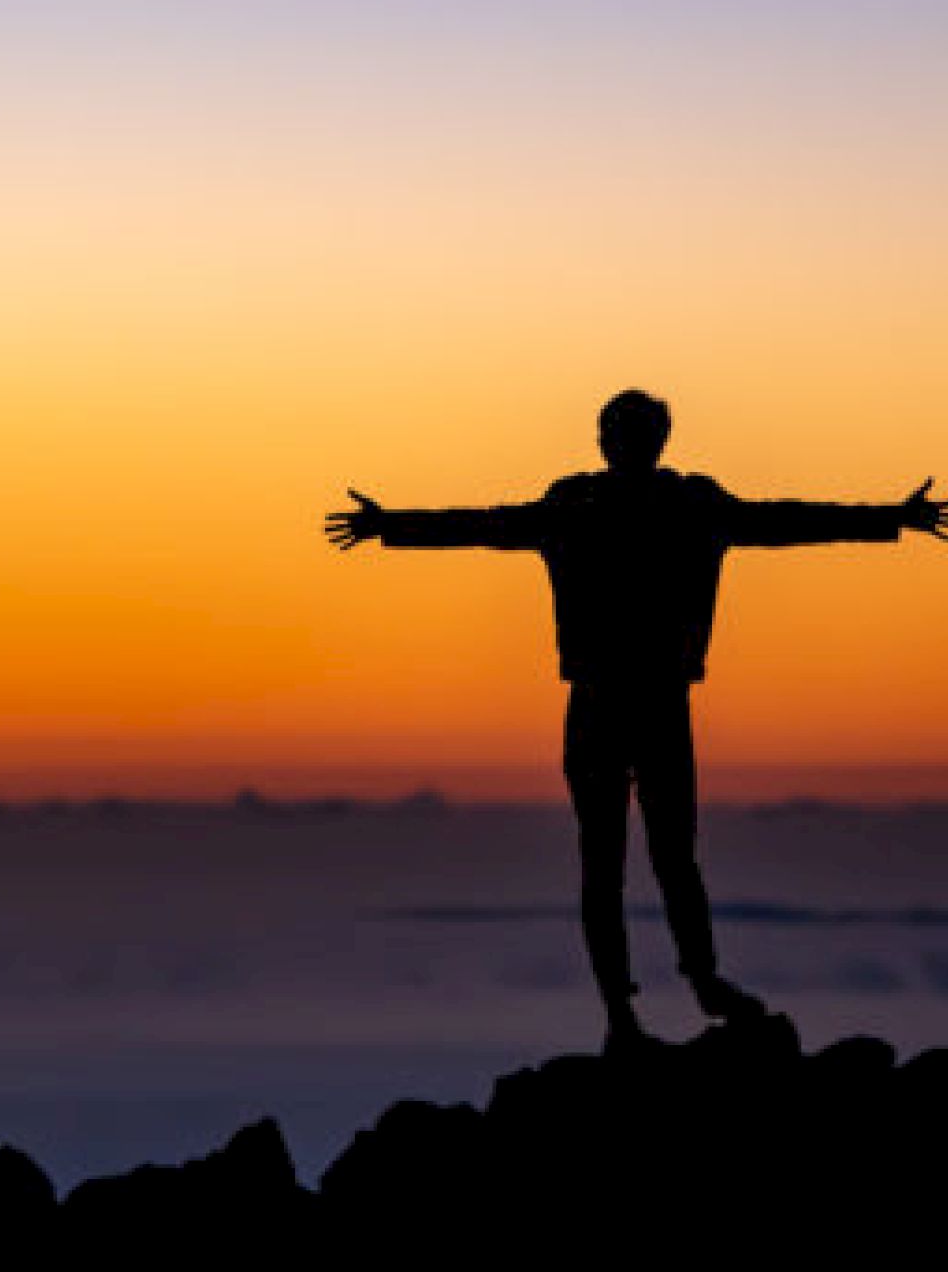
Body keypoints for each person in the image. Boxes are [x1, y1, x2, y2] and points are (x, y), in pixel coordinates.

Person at [324, 389, 946, 1051]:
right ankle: (655, 1002)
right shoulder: (636, 508)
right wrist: (390, 525)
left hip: (624, 706)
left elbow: (783, 520)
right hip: (631, 706)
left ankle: (659, 1001)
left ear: (622, 440)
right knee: (648, 860)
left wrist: (891, 517)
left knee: (634, 862)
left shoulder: (642, 508)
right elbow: (784, 520)